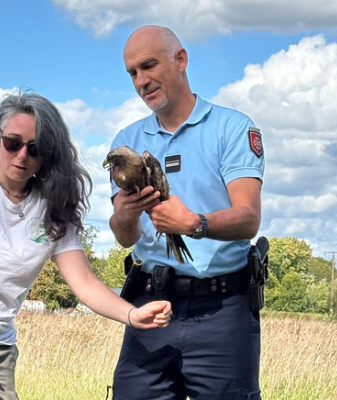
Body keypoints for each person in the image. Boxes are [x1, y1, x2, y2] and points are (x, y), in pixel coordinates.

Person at [0, 91, 172, 400]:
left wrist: (132, 315)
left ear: (49, 155)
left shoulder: (54, 208)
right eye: (13, 143)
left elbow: (86, 284)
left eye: (35, 148)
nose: (22, 155)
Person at [107, 25, 265, 400]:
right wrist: (128, 213)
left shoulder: (232, 128)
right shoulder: (126, 142)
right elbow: (124, 236)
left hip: (222, 309)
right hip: (150, 305)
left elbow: (249, 217)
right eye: (132, 73)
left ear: (181, 60)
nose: (141, 81)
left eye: (148, 66)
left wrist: (195, 224)